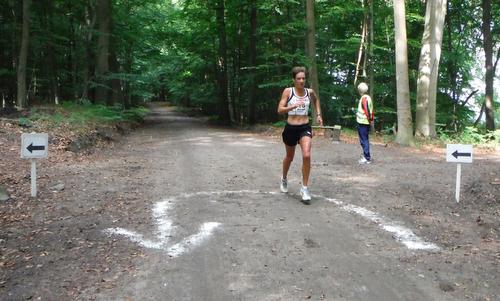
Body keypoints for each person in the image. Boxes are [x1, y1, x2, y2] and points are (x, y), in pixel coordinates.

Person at [277, 66, 323, 204]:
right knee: (289, 157)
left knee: (307, 155)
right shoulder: (288, 91)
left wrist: (319, 114)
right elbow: (279, 110)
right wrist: (292, 106)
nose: (301, 81)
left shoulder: (310, 92)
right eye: (299, 79)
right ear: (294, 80)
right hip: (291, 128)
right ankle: (284, 178)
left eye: (303, 78)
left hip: (304, 127)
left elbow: (316, 101)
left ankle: (304, 188)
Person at [356, 82, 374, 164]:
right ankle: (365, 155)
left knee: (364, 140)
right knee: (364, 139)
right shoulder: (368, 97)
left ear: (360, 90)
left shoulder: (364, 98)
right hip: (365, 122)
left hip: (363, 122)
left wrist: (369, 120)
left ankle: (367, 157)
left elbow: (367, 110)